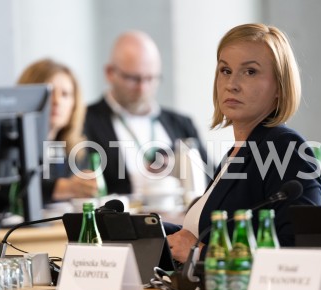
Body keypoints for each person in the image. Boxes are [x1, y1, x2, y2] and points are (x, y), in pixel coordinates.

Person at [167, 23, 321, 263]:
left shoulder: (286, 149)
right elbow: (204, 235)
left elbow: (296, 254)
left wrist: (199, 253)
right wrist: (149, 231)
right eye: (225, 70)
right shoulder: (237, 153)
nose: (232, 84)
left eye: (250, 72)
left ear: (279, 87)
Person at [84, 30, 210, 197]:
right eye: (133, 79)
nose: (142, 88)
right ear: (109, 73)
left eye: (151, 78)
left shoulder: (181, 124)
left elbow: (211, 178)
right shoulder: (84, 121)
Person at [18, 58, 98, 203]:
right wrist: (63, 188)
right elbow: (8, 191)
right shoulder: (11, 146)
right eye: (49, 93)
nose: (57, 101)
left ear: (74, 104)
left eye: (65, 94)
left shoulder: (73, 149)